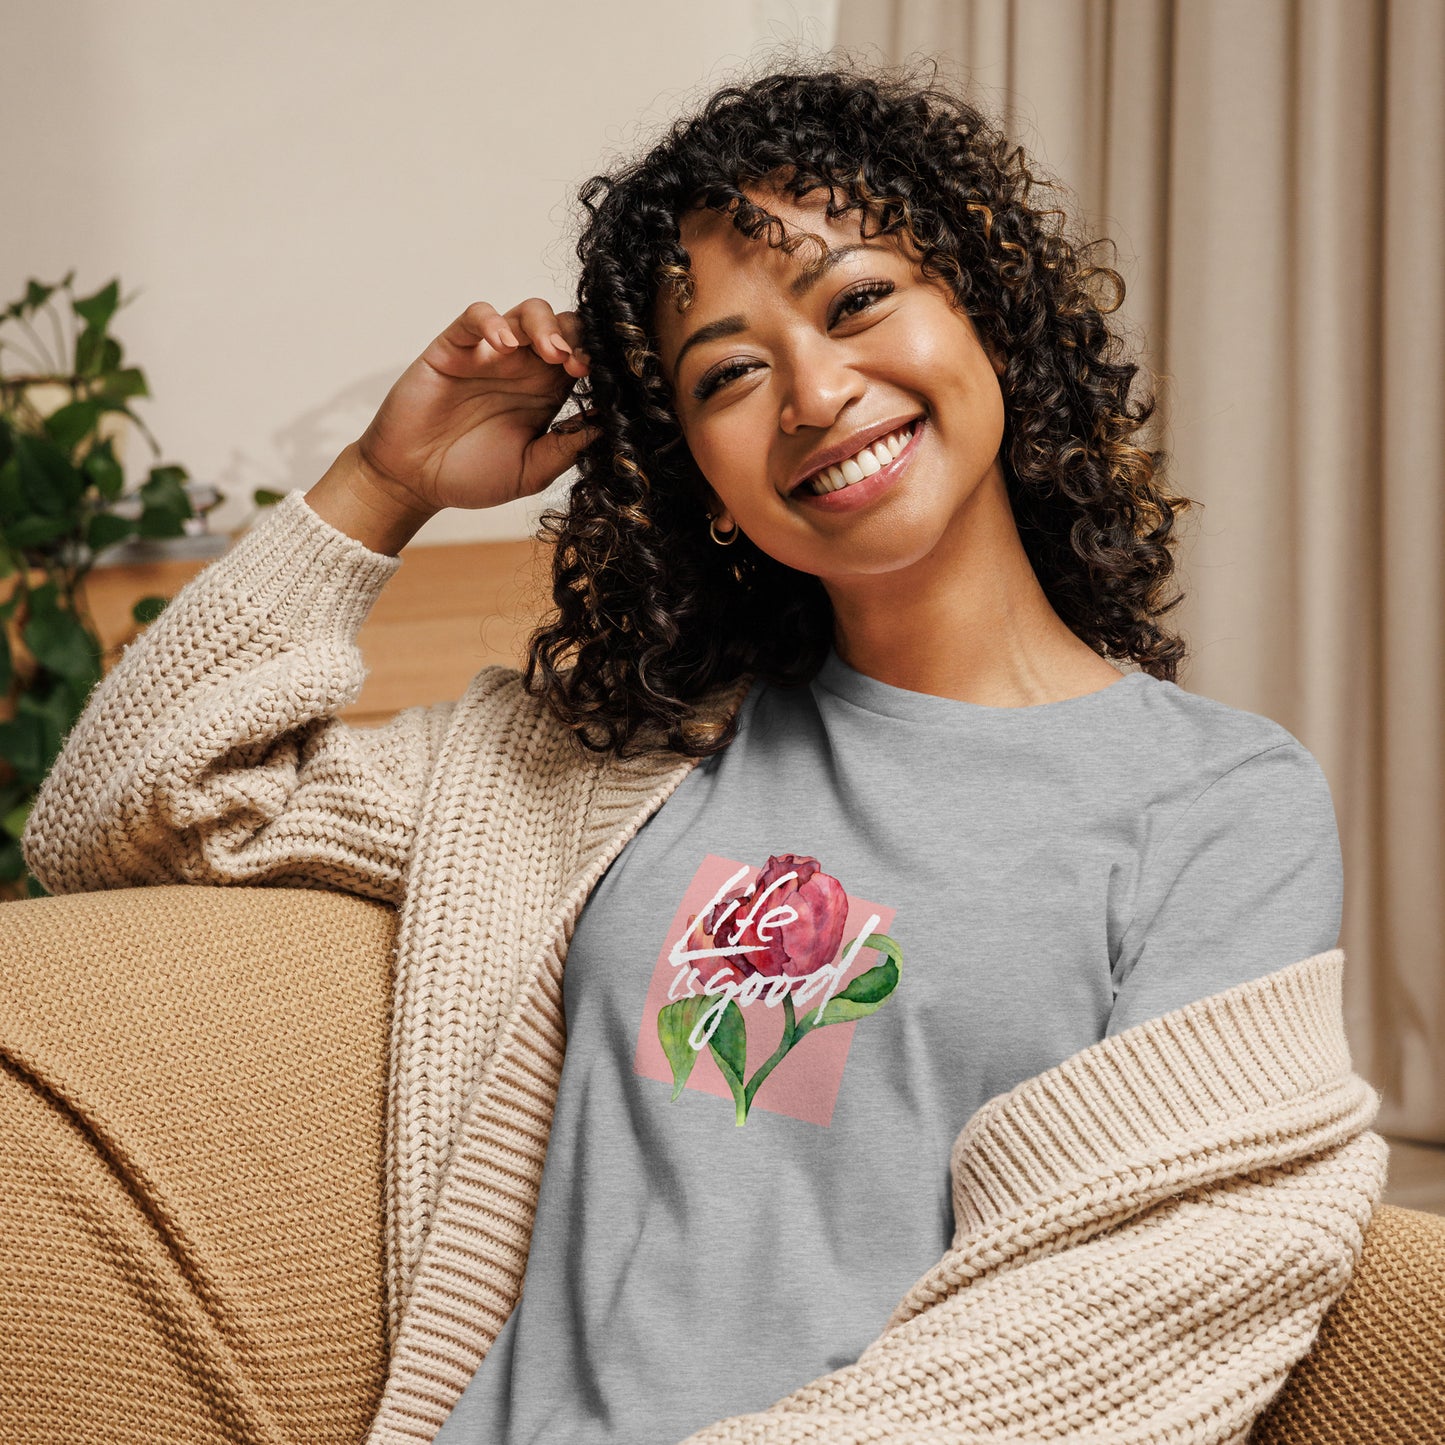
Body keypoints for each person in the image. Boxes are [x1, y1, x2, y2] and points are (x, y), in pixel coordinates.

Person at [13, 59, 1384, 1445]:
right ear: (702, 480)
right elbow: (126, 814)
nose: (812, 390)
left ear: (987, 314)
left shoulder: (1213, 801)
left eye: (857, 301)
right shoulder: (611, 764)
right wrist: (383, 483)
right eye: (728, 372)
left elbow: (1146, 1293)